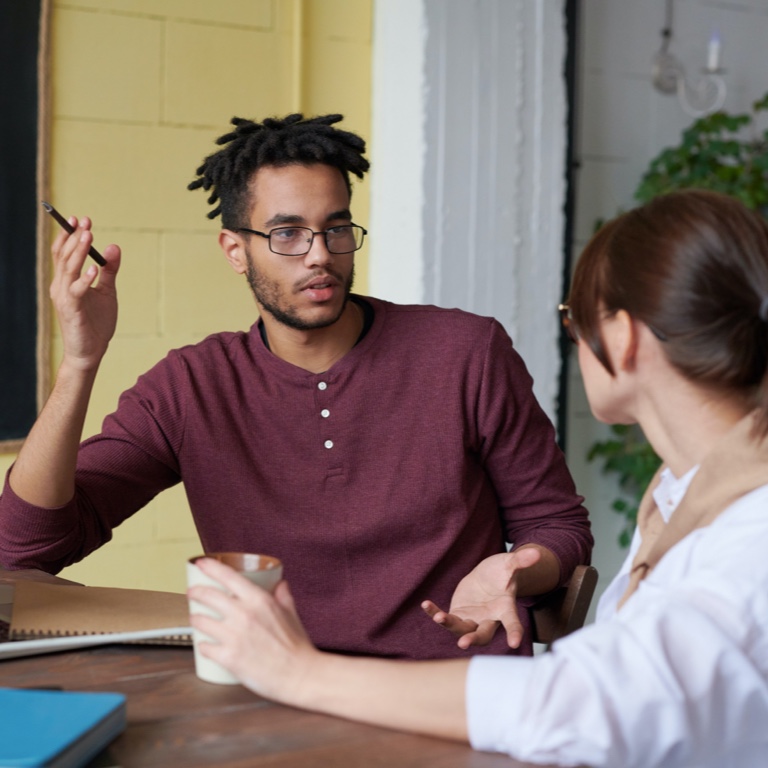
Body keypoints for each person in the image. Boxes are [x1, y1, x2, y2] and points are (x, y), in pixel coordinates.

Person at [187, 189, 768, 767]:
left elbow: (586, 704)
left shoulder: (750, 534)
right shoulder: (681, 494)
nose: (317, 255)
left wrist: (298, 671)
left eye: (573, 320)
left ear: (623, 338)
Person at [0, 113, 591, 660]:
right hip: (276, 697)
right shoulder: (190, 387)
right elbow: (25, 547)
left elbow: (559, 527)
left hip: (450, 692)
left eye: (336, 229)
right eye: (287, 234)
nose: (320, 257)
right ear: (236, 250)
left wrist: (512, 572)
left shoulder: (465, 352)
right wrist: (81, 361)